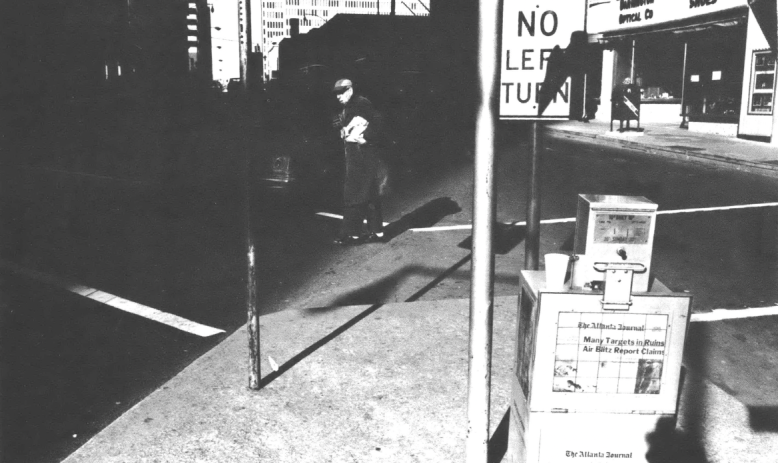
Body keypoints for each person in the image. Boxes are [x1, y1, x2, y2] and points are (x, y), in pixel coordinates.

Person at [331, 78, 388, 245]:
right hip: (359, 153)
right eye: (336, 94)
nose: (338, 96)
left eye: (341, 92)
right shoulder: (350, 105)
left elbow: (378, 120)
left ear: (350, 90)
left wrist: (366, 137)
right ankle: (377, 233)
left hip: (360, 153)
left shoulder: (361, 102)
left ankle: (351, 235)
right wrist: (341, 127)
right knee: (369, 193)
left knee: (353, 194)